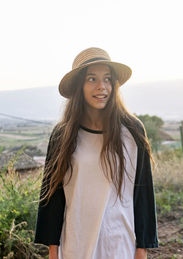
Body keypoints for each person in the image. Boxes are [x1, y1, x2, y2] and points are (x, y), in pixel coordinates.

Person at [34, 47, 158, 259]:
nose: (102, 87)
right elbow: (53, 198)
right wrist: (53, 251)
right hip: (75, 244)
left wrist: (142, 249)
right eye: (92, 79)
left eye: (107, 79)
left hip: (120, 244)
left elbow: (143, 195)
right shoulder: (62, 136)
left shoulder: (132, 131)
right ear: (79, 86)